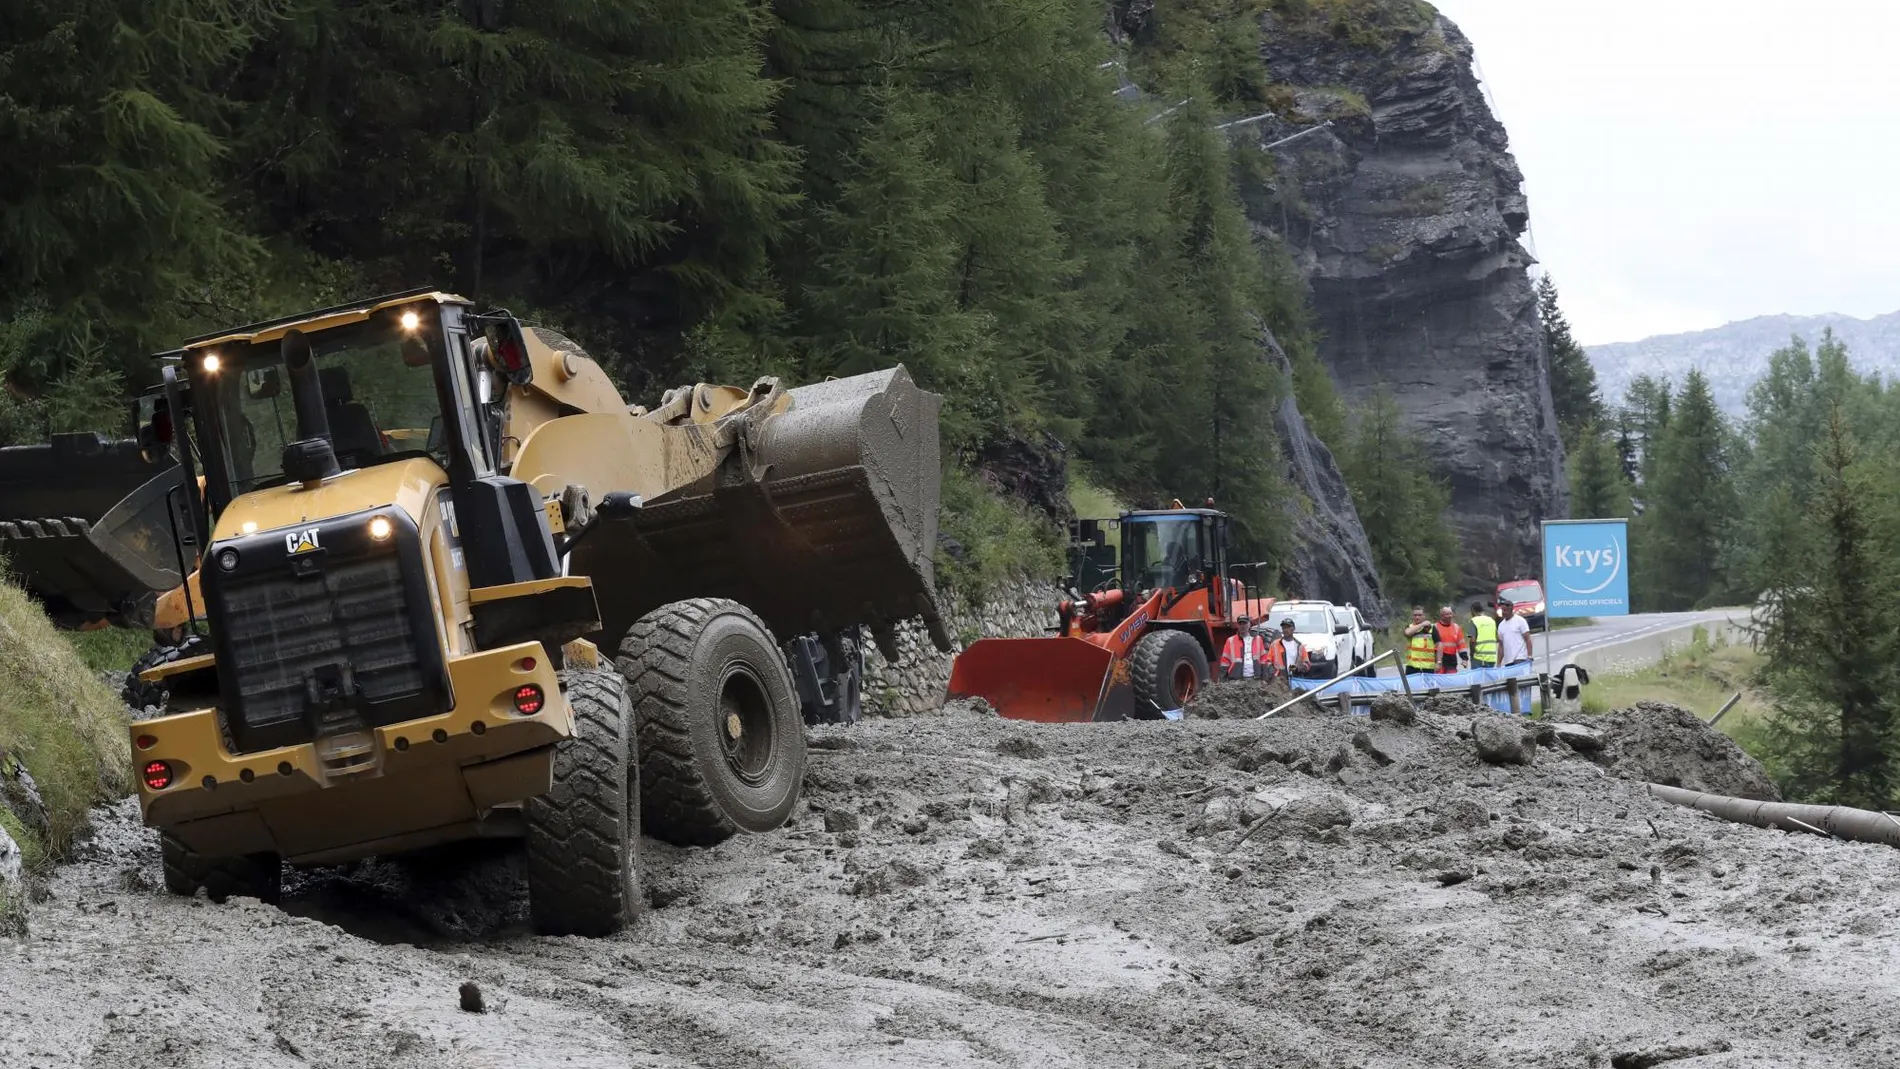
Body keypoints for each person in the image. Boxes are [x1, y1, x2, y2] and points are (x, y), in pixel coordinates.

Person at [1218, 615, 1270, 680]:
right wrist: (1222, 679)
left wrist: (1264, 677)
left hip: (1255, 679)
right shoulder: (1230, 641)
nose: (1243, 626)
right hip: (1236, 681)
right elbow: (1225, 661)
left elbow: (1263, 659)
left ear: (1249, 624)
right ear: (1237, 625)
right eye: (1240, 623)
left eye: (1245, 623)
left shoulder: (1258, 639)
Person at [1497, 599, 1534, 666]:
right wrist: (1498, 663)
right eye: (1502, 610)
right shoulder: (1501, 626)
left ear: (1510, 609)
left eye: (1505, 610)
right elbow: (1501, 645)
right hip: (1508, 661)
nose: (1503, 612)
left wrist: (1529, 656)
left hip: (1520, 658)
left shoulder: (1520, 621)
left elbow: (1528, 639)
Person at [1401, 606, 1437, 675]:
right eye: (1415, 615)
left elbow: (1439, 644)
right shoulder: (1409, 627)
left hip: (1428, 667)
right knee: (1411, 686)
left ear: (1424, 616)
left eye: (1420, 615)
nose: (1417, 617)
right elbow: (1408, 633)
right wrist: (1422, 624)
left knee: (1430, 686)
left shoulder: (1432, 628)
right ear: (1412, 616)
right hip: (1412, 666)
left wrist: (1438, 662)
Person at [1433, 605, 1466, 674]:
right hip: (1438, 658)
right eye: (1447, 614)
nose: (1450, 616)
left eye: (1451, 613)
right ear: (1442, 616)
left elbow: (1461, 645)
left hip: (1451, 659)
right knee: (1439, 680)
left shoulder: (1456, 627)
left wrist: (1464, 658)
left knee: (1451, 680)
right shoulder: (1435, 627)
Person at [1468, 601, 1499, 669]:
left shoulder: (1474, 621)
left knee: (1478, 679)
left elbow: (1472, 641)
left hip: (1479, 658)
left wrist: (1471, 655)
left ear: (1473, 610)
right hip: (1491, 657)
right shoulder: (1491, 621)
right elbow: (1497, 638)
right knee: (1489, 679)